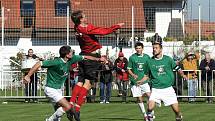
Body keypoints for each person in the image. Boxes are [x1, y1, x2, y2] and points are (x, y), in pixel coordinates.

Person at [23, 46, 104, 121]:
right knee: (68, 106)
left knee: (59, 112)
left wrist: (98, 59)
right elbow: (39, 63)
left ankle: (54, 119)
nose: (73, 52)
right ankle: (49, 120)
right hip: (51, 89)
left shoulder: (72, 59)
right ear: (67, 55)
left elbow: (86, 57)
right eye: (71, 52)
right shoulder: (56, 62)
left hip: (58, 90)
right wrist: (28, 76)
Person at [69, 10, 124, 121]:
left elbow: (89, 29)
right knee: (88, 84)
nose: (86, 16)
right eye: (84, 16)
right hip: (91, 58)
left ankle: (70, 105)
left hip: (83, 56)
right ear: (80, 19)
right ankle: (77, 108)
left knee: (80, 81)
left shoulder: (77, 28)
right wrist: (116, 26)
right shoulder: (86, 28)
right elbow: (103, 31)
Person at [137, 40, 187, 121]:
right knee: (150, 107)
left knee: (176, 111)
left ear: (161, 49)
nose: (154, 49)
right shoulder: (149, 61)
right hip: (156, 89)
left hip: (168, 89)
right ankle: (149, 117)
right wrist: (141, 81)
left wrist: (182, 74)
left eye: (156, 48)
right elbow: (146, 76)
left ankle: (179, 116)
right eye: (153, 48)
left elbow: (177, 68)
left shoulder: (168, 59)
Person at [127, 42, 151, 120]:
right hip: (135, 82)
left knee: (150, 97)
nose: (138, 50)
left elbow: (150, 67)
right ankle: (145, 115)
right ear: (135, 49)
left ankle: (150, 113)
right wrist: (133, 75)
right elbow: (129, 69)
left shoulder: (147, 57)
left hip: (144, 81)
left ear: (142, 48)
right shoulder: (132, 57)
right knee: (139, 99)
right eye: (137, 48)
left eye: (139, 48)